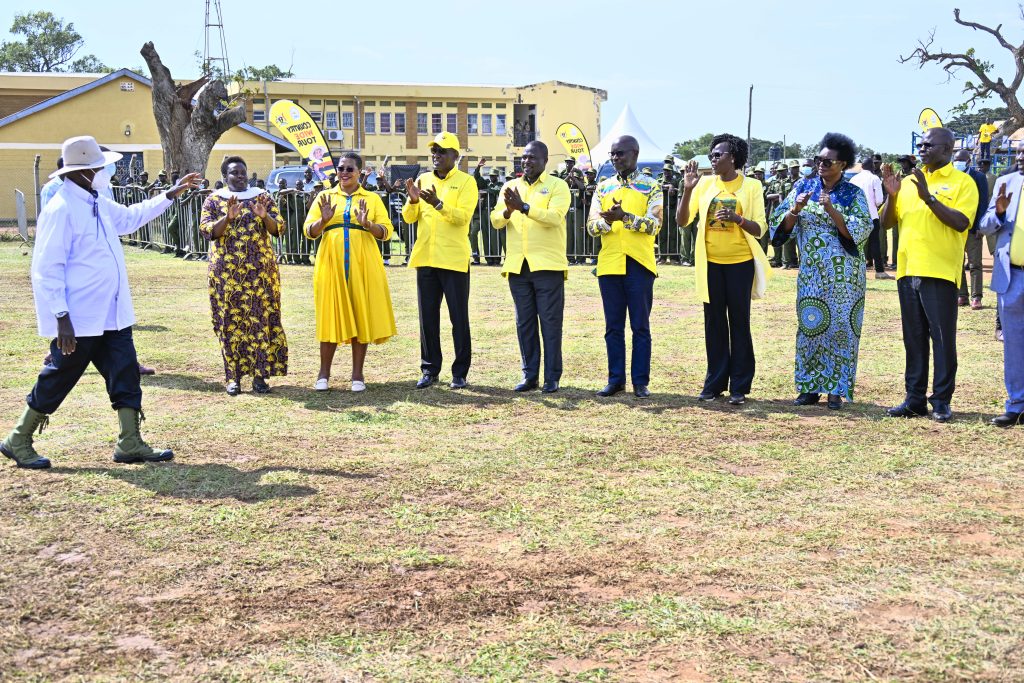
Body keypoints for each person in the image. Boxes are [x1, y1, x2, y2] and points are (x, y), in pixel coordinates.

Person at [1, 136, 200, 470]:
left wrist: (170, 194)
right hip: (80, 316)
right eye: (98, 167)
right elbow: (47, 268)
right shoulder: (62, 208)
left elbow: (130, 217)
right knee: (60, 374)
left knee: (125, 372)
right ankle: (18, 438)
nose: (103, 171)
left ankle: (130, 441)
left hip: (112, 312)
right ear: (84, 171)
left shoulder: (95, 200)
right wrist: (61, 317)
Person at [880, 128, 979, 422]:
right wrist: (892, 196)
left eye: (928, 145)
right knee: (914, 337)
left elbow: (962, 223)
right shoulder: (908, 182)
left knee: (942, 338)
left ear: (947, 149)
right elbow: (887, 224)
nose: (921, 149)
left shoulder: (963, 182)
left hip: (939, 271)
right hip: (907, 270)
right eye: (920, 144)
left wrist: (929, 198)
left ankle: (941, 400)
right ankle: (914, 399)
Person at [772, 133, 871, 410]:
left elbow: (860, 230)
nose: (821, 165)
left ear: (843, 164)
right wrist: (795, 210)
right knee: (811, 326)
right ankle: (809, 387)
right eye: (819, 160)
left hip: (845, 276)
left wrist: (832, 211)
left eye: (828, 161)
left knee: (841, 328)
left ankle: (836, 389)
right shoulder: (803, 186)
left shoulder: (853, 194)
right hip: (812, 273)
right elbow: (779, 228)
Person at [677, 134, 770, 406]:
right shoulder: (704, 184)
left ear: (734, 158)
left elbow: (760, 228)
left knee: (739, 323)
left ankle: (740, 386)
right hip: (711, 264)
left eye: (718, 155)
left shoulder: (751, 186)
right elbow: (683, 221)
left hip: (740, 264)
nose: (713, 159)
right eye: (711, 155)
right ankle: (714, 383)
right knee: (714, 323)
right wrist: (687, 189)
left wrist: (737, 218)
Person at [303, 152, 396, 392]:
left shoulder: (372, 199)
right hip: (330, 262)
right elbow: (308, 231)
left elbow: (386, 232)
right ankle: (323, 374)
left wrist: (368, 224)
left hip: (363, 262)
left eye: (349, 169)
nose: (343, 173)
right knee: (329, 314)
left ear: (359, 172)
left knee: (359, 312)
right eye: (341, 169)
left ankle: (357, 375)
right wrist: (323, 221)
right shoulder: (324, 196)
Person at [199, 156, 289, 396]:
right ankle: (233, 377)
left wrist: (263, 215)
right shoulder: (214, 200)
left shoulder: (262, 197)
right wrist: (227, 217)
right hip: (226, 275)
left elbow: (278, 228)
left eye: (243, 172)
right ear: (224, 177)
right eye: (234, 173)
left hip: (260, 274)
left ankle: (260, 377)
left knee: (260, 321)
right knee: (230, 322)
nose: (240, 176)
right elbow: (208, 232)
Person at [489, 142, 570, 393]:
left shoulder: (558, 186)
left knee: (550, 322)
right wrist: (507, 211)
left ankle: (552, 377)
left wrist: (524, 207)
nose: (526, 162)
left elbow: (555, 218)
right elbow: (494, 221)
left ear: (545, 160)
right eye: (523, 158)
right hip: (518, 265)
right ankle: (529, 375)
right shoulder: (509, 186)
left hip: (547, 265)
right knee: (524, 323)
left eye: (532, 158)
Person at [586, 135, 663, 398]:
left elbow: (655, 225)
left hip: (639, 264)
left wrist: (625, 217)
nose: (615, 158)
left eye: (620, 153)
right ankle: (615, 380)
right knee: (613, 327)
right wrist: (608, 222)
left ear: (635, 154)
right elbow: (591, 227)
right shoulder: (603, 187)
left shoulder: (651, 186)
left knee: (640, 326)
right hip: (609, 265)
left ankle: (640, 382)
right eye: (612, 154)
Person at [403, 132, 478, 390]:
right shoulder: (423, 179)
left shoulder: (467, 182)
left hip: (454, 260)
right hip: (426, 257)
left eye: (442, 151)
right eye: (434, 150)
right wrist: (413, 201)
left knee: (459, 318)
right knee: (428, 318)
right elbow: (410, 218)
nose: (436, 155)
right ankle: (429, 369)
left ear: (455, 156)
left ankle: (460, 372)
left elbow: (462, 217)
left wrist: (438, 204)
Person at [979, 142, 1024, 427]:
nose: (1020, 157)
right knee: (1015, 344)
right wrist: (998, 212)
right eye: (1020, 152)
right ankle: (1016, 405)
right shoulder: (1006, 183)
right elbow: (984, 225)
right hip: (1013, 276)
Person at [951, 150, 991, 309]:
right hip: (955, 227)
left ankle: (976, 297)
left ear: (968, 161)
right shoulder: (952, 176)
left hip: (973, 228)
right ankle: (962, 295)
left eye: (961, 160)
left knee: (975, 264)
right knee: (958, 263)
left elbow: (983, 203)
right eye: (956, 159)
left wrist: (980, 226)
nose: (958, 162)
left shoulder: (979, 177)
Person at [850, 157, 893, 280]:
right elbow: (879, 200)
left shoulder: (853, 179)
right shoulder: (874, 178)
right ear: (872, 167)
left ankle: (855, 271)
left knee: (856, 243)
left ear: (861, 166)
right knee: (875, 243)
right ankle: (879, 271)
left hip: (856, 216)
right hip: (872, 215)